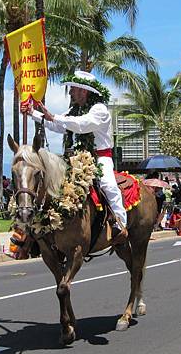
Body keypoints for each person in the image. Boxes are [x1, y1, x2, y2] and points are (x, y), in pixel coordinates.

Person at [21, 70, 127, 243]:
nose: (70, 92)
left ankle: (119, 224)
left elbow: (82, 125)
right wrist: (32, 112)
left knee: (108, 185)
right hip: (76, 158)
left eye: (73, 89)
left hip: (100, 158)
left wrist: (53, 117)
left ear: (83, 91)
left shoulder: (99, 110)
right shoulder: (74, 109)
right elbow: (57, 124)